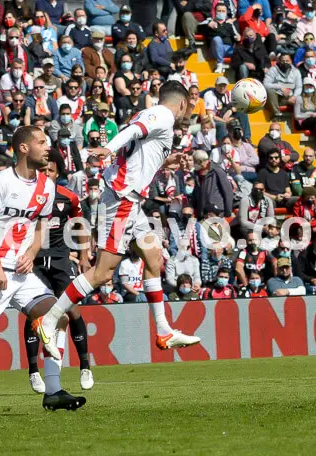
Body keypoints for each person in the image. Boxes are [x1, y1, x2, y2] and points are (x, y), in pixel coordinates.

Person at [36, 81, 201, 359]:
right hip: (122, 200)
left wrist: (168, 160)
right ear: (182, 103)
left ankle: (163, 331)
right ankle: (49, 320)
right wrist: (109, 148)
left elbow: (140, 152)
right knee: (102, 273)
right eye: (189, 106)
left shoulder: (153, 116)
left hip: (131, 202)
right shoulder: (162, 115)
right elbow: (133, 132)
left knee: (153, 258)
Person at [0, 126, 86, 418]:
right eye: (41, 142)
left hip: (23, 271)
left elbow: (42, 225)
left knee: (58, 317)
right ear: (23, 148)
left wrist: (31, 254)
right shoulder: (1, 181)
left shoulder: (46, 185)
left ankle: (53, 392)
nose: (47, 147)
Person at [21, 158, 94, 394]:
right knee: (34, 313)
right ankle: (34, 371)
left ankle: (85, 366)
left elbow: (80, 225)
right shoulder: (27, 195)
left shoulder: (68, 197)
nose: (46, 174)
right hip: (34, 260)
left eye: (50, 170)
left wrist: (83, 256)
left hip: (61, 260)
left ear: (58, 173)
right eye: (42, 170)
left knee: (72, 311)